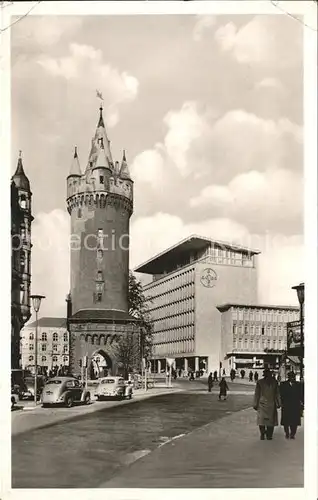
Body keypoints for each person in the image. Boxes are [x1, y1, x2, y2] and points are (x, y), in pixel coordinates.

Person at [253, 368, 281, 440]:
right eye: (267, 375)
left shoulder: (275, 382)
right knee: (262, 421)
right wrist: (255, 403)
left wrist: (278, 403)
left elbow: (277, 393)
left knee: (271, 421)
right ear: (264, 375)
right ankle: (262, 434)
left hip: (271, 403)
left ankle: (269, 435)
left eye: (269, 375)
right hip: (262, 404)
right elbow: (257, 393)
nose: (268, 376)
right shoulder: (260, 382)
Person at [280, 371, 304, 439]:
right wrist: (281, 403)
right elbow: (281, 395)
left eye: (293, 376)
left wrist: (302, 404)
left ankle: (293, 433)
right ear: (288, 377)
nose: (292, 378)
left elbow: (301, 395)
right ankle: (287, 433)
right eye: (291, 376)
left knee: (294, 421)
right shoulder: (283, 384)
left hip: (295, 405)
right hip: (286, 404)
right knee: (286, 421)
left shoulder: (298, 385)